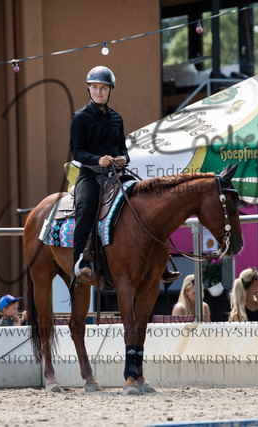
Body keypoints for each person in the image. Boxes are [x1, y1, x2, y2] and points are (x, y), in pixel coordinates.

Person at [69, 66, 180, 284]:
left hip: (116, 174)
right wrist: (97, 160)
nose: (99, 92)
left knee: (147, 202)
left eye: (103, 88)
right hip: (90, 175)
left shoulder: (116, 118)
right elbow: (76, 151)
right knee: (85, 208)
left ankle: (162, 261)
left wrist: (124, 159)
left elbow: (123, 149)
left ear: (110, 90)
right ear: (88, 89)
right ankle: (80, 261)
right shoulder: (79, 118)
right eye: (94, 87)